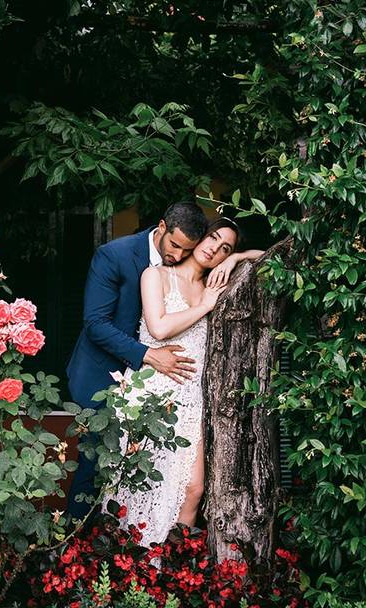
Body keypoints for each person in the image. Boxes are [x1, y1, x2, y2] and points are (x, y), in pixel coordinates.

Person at [65, 202, 262, 522]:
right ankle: (74, 551)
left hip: (180, 390)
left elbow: (268, 257)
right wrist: (147, 354)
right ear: (162, 228)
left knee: (181, 484)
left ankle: (165, 560)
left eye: (222, 248)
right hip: (105, 373)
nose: (180, 252)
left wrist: (238, 256)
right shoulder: (117, 256)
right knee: (99, 468)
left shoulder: (204, 270)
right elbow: (97, 324)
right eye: (175, 245)